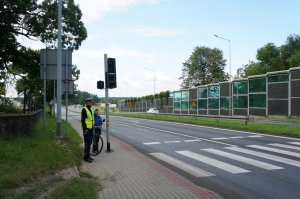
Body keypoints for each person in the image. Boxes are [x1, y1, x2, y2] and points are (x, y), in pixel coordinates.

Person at [81, 97, 94, 163]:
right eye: (91, 102)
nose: (92, 103)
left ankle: (88, 156)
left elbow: (91, 120)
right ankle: (86, 158)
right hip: (87, 129)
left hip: (91, 128)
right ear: (87, 102)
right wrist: (85, 129)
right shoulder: (84, 109)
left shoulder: (90, 109)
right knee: (87, 143)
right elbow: (83, 121)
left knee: (89, 143)